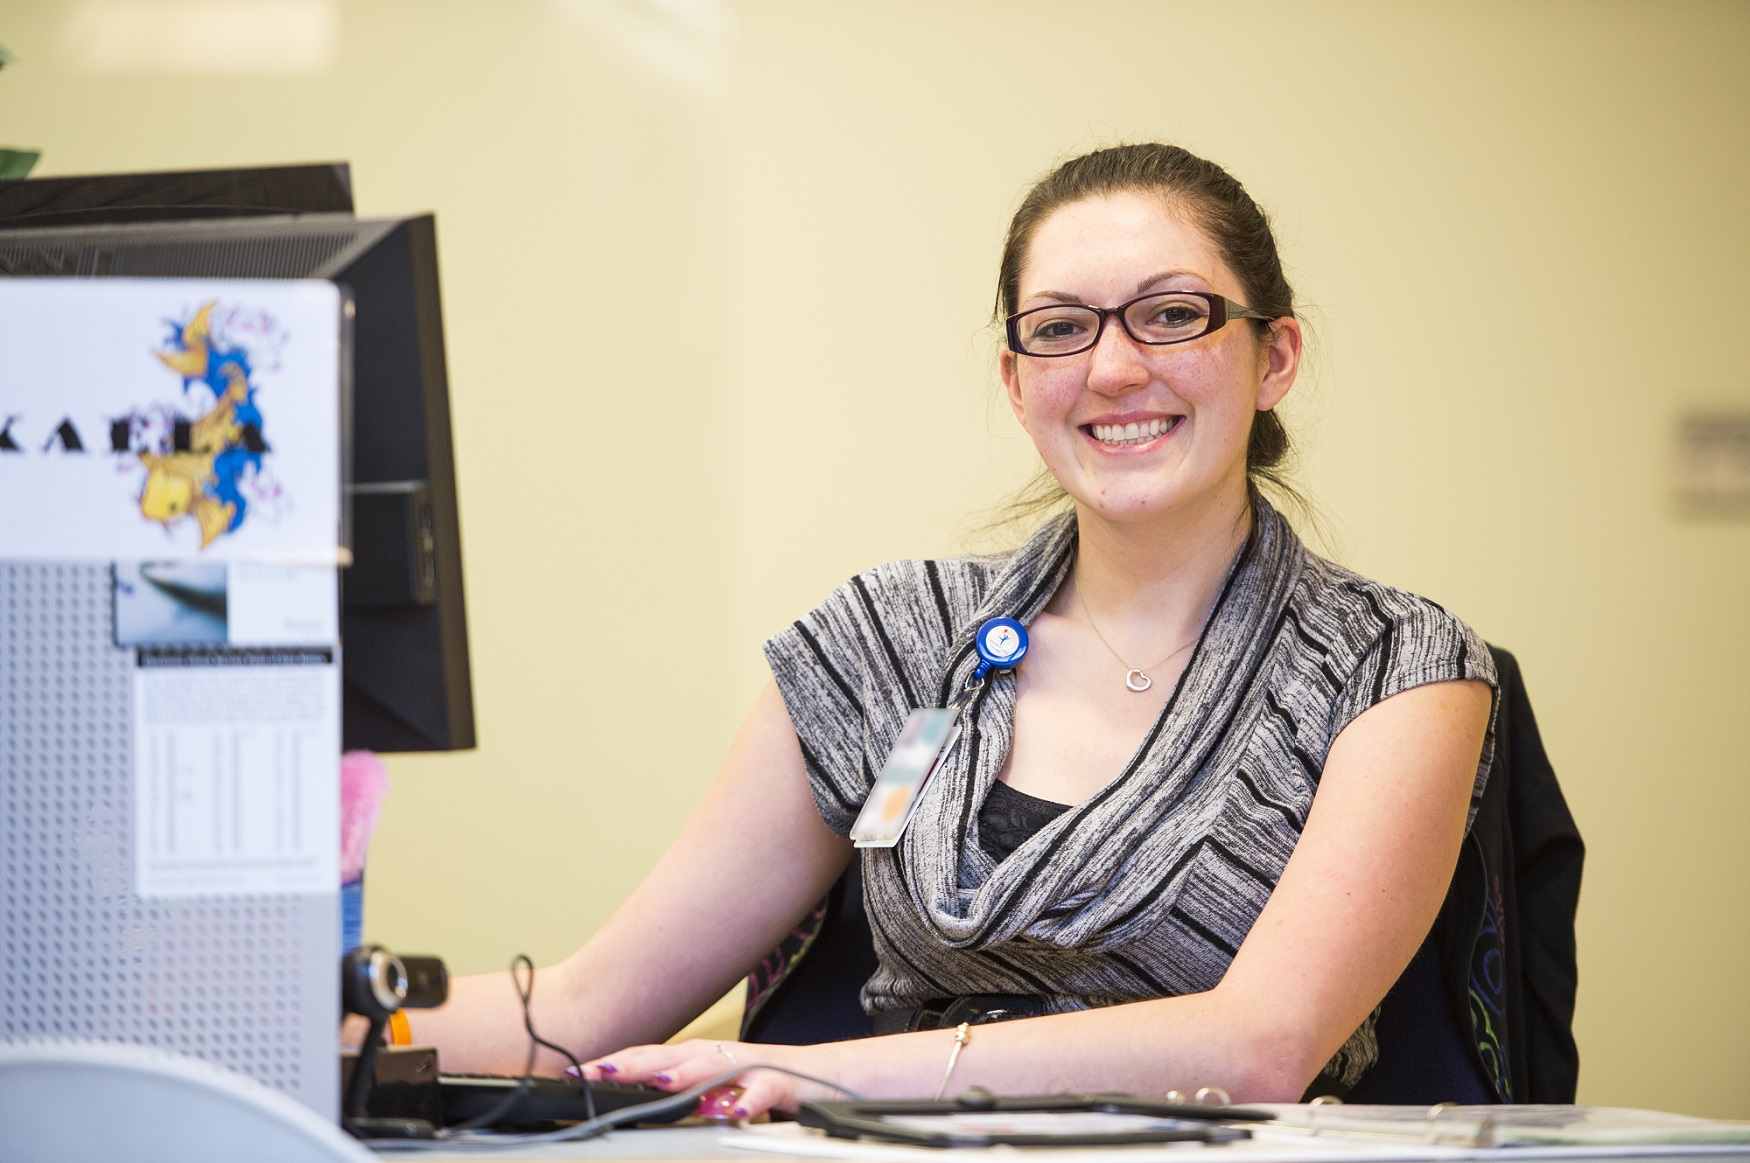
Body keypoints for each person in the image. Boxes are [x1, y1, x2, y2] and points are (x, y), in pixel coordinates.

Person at [405, 143, 1497, 1115]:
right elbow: (592, 999)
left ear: (1276, 357)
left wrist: (828, 1070)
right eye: (1061, 328)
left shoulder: (1395, 667)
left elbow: (1259, 1043)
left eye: (1172, 314)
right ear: (1018, 384)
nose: (1113, 368)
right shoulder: (892, 641)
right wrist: (315, 1023)